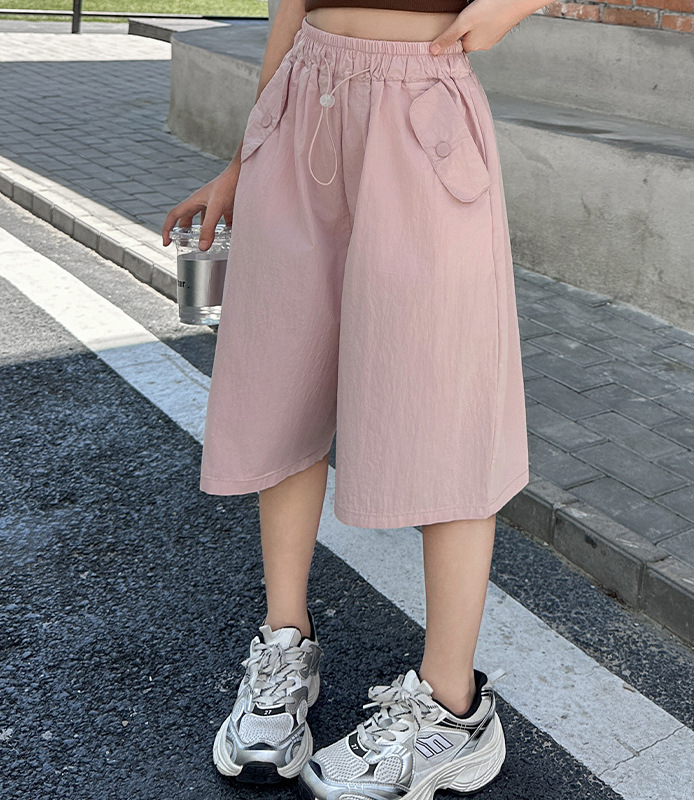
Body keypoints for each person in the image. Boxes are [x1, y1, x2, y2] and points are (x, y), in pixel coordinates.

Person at [161, 0, 548, 795]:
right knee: (281, 379)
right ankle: (284, 650)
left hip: (421, 108)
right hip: (303, 101)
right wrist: (243, 160)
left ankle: (452, 709)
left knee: (444, 401)